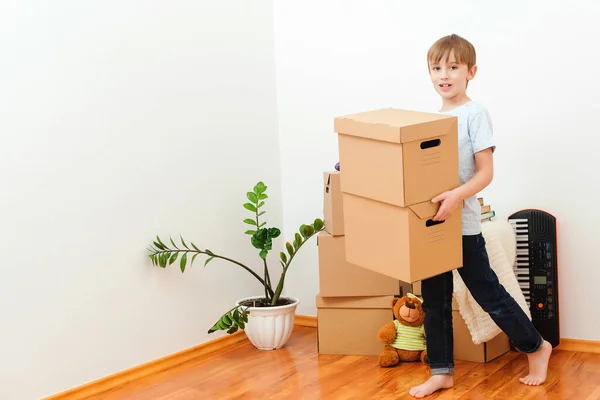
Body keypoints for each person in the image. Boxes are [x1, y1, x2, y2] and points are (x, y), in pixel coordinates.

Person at [408, 34, 553, 398]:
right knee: (436, 300)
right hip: (432, 225)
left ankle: (536, 346)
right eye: (437, 67)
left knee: (488, 293)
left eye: (453, 67)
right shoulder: (427, 121)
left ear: (470, 72)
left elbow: (485, 173)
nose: (444, 74)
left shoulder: (475, 113)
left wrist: (456, 197)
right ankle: (441, 372)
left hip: (463, 223)